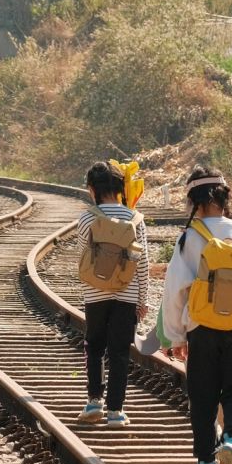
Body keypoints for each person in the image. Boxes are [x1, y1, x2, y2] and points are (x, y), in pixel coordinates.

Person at [159, 167, 232, 464]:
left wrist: (176, 335)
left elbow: (175, 289)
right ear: (224, 197)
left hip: (201, 327)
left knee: (203, 397)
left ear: (194, 200)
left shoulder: (191, 237)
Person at [76, 159, 150, 428]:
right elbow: (142, 263)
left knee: (94, 347)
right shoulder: (136, 219)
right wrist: (142, 301)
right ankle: (116, 411)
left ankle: (94, 400)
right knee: (119, 351)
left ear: (92, 189)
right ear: (121, 188)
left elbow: (83, 256)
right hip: (126, 294)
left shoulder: (87, 218)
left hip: (95, 294)